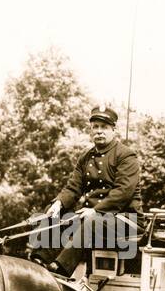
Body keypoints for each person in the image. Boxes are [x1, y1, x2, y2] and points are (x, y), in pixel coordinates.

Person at [43, 106, 141, 276]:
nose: (99, 132)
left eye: (104, 127)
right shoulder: (86, 157)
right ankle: (40, 263)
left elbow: (123, 192)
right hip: (93, 218)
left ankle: (60, 271)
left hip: (126, 220)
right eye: (95, 127)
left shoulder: (126, 156)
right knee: (51, 216)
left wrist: (95, 210)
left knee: (91, 222)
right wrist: (58, 204)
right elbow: (73, 187)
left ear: (113, 130)